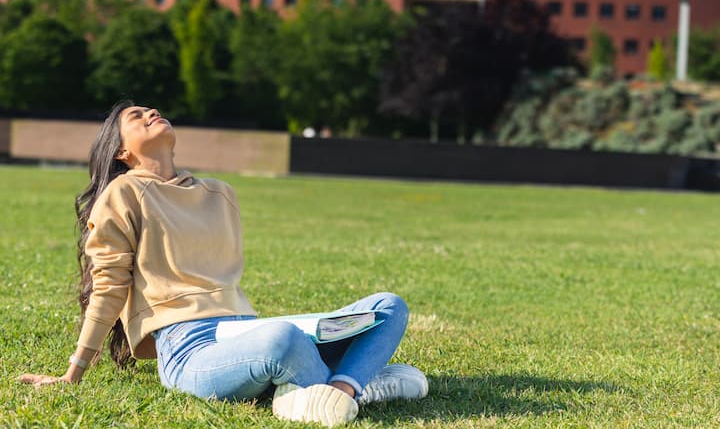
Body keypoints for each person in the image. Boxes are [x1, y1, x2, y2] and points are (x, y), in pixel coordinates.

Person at [19, 101, 428, 427]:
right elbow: (108, 286)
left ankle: (337, 390)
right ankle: (356, 382)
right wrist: (73, 371)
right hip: (189, 348)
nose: (150, 113)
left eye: (150, 109)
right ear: (122, 152)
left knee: (389, 307)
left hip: (243, 331)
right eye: (135, 116)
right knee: (282, 339)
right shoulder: (123, 193)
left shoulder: (220, 193)